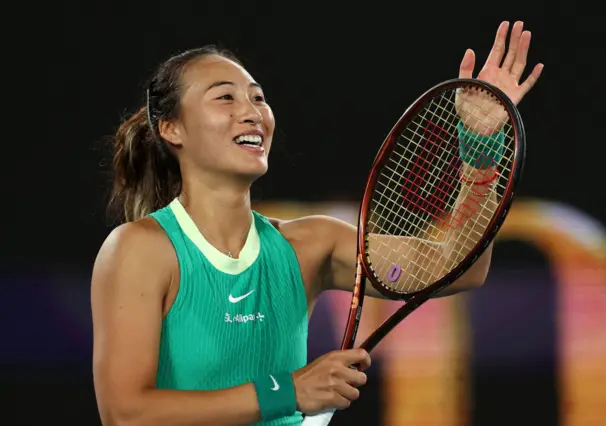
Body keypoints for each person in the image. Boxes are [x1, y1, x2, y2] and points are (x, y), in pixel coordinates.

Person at [91, 20, 543, 426]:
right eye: (224, 96)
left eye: (258, 98)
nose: (251, 111)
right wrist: (287, 393)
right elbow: (126, 414)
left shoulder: (312, 244)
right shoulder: (140, 249)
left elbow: (458, 264)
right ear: (172, 128)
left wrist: (481, 150)